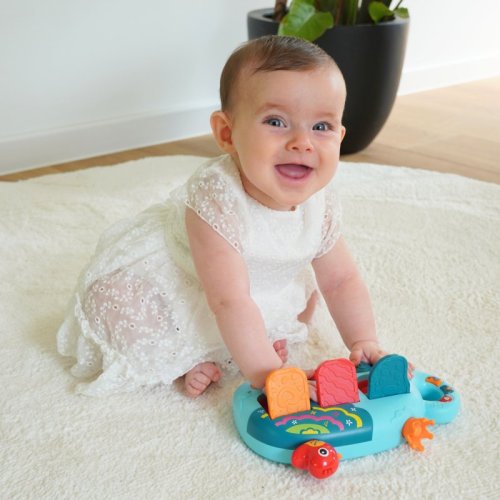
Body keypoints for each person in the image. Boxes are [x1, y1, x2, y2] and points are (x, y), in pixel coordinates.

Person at [57, 35, 390, 398]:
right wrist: (268, 375)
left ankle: (256, 340)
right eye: (276, 121)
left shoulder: (320, 204)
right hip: (193, 284)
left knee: (307, 301)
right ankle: (183, 360)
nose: (302, 142)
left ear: (340, 136)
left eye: (321, 127)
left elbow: (341, 280)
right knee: (115, 302)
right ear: (227, 133)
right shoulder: (216, 196)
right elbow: (228, 300)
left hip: (256, 287)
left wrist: (363, 341)